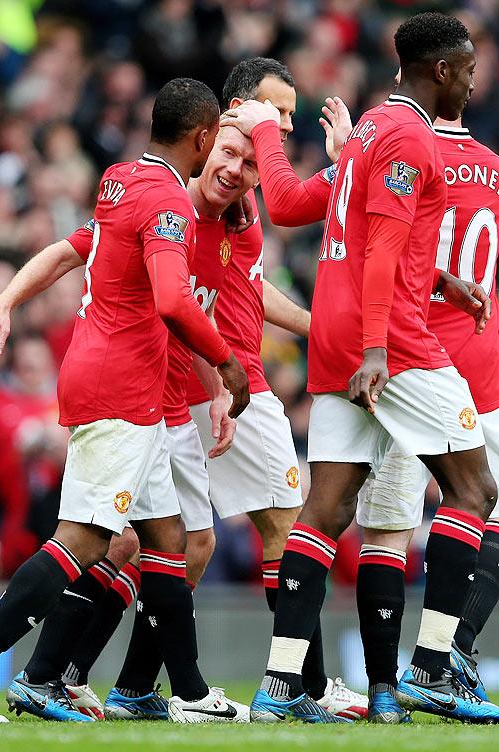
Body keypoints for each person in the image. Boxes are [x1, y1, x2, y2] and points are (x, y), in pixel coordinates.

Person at [0, 77, 250, 725]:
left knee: (167, 536)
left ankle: (186, 692)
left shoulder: (121, 179)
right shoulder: (167, 201)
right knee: (83, 538)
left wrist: (2, 301)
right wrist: (225, 360)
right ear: (203, 136)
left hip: (117, 379)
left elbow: (70, 251)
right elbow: (171, 298)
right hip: (124, 387)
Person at [221, 12, 499, 724]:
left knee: (326, 509)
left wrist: (441, 280)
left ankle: (280, 684)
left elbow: (289, 206)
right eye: (467, 68)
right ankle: (435, 667)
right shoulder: (411, 135)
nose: (473, 80)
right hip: (392, 342)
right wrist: (381, 348)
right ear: (441, 69)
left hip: (336, 334)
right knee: (475, 489)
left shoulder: (372, 129)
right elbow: (379, 253)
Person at [185, 57, 367, 721]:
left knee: (177, 540)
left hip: (227, 378)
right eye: (278, 108)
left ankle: (101, 677)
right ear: (238, 107)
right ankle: (306, 686)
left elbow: (250, 287)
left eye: (292, 112)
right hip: (231, 383)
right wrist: (218, 375)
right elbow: (186, 294)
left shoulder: (242, 186)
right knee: (290, 533)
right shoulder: (220, 182)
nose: (287, 122)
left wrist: (318, 328)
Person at [356, 113, 499, 719]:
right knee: (482, 503)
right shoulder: (492, 167)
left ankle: (391, 684)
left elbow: (370, 245)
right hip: (480, 357)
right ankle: (449, 655)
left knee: (388, 524)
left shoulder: (396, 152)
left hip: (409, 357)